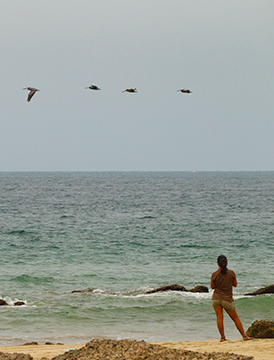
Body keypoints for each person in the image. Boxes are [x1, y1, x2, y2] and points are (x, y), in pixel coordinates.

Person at [211, 255, 250, 341]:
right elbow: (235, 285)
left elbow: (212, 287)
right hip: (227, 299)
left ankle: (222, 337)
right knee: (235, 318)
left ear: (218, 264)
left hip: (216, 298)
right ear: (227, 263)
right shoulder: (231, 273)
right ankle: (244, 335)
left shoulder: (214, 274)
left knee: (219, 318)